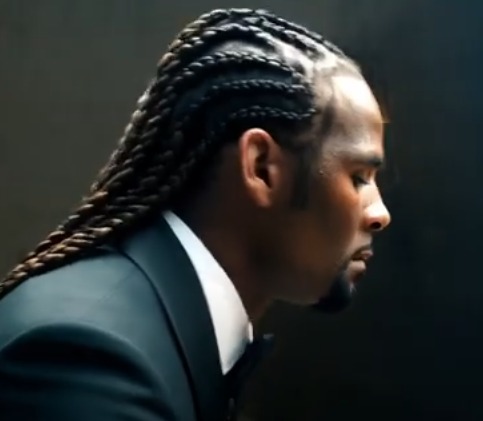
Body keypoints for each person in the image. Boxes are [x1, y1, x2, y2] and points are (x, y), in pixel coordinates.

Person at [0, 8, 390, 421]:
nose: (380, 214)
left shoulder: (156, 333)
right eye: (359, 177)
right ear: (261, 168)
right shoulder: (88, 362)